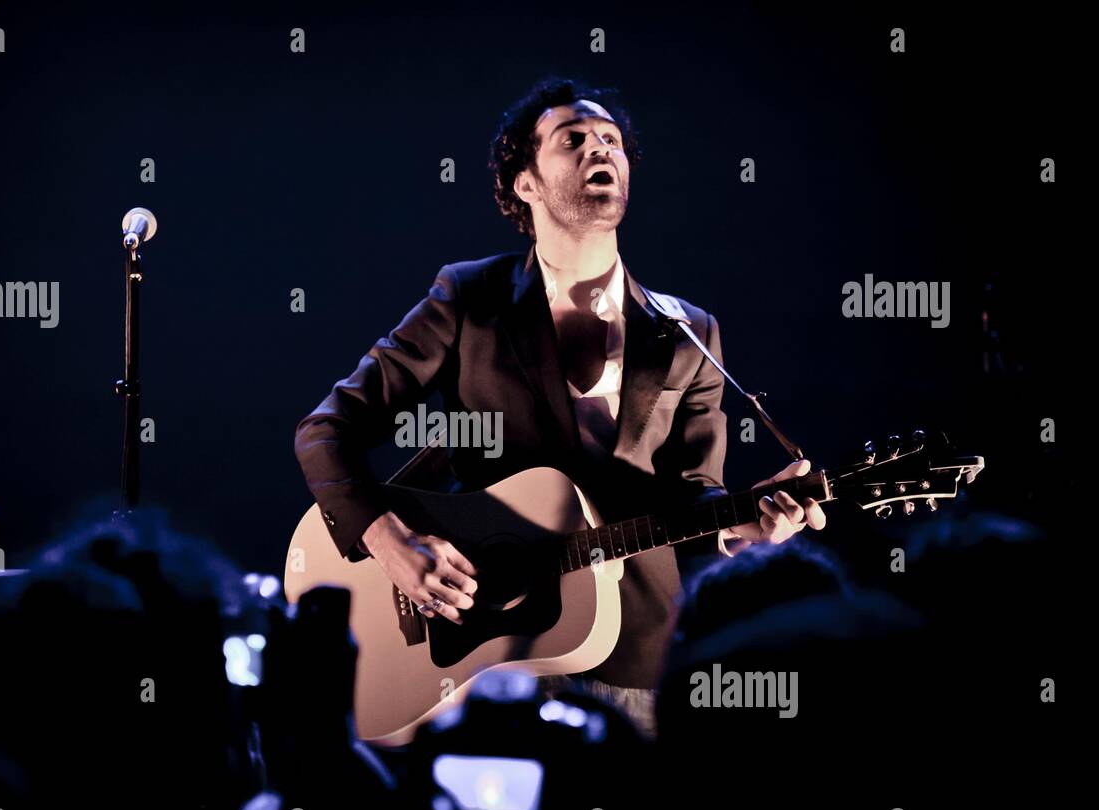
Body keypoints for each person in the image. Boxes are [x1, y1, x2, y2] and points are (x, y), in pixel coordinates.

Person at [293, 77, 826, 740]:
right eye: (574, 139)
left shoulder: (690, 330)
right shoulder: (469, 298)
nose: (600, 149)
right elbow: (324, 432)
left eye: (611, 140)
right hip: (484, 650)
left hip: (635, 652)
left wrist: (747, 527)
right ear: (527, 184)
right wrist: (391, 542)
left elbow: (697, 498)